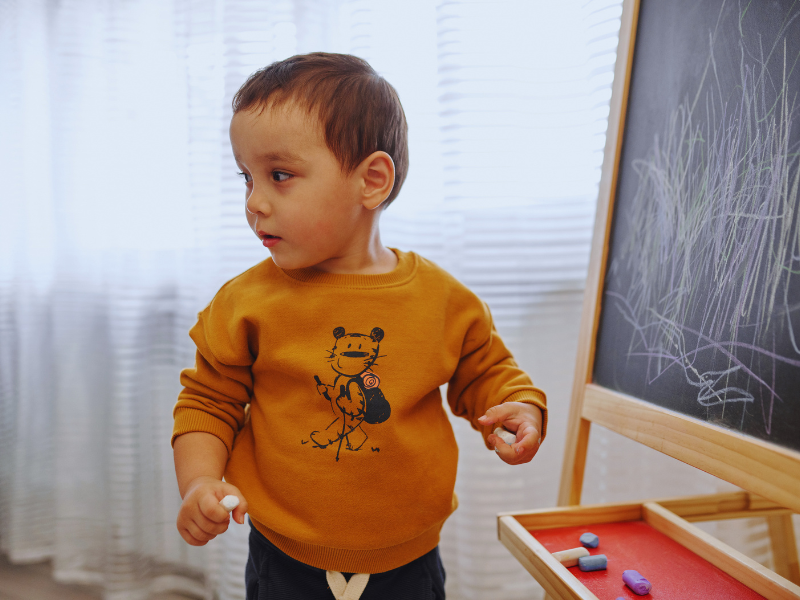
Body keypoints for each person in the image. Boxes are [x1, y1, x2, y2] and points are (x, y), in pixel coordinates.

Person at [171, 52, 547, 600]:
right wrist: (199, 481)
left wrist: (517, 405)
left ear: (371, 180)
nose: (254, 202)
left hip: (409, 565)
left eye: (279, 176)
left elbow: (486, 371)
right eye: (247, 178)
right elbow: (208, 403)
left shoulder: (440, 299)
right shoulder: (244, 303)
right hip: (283, 563)